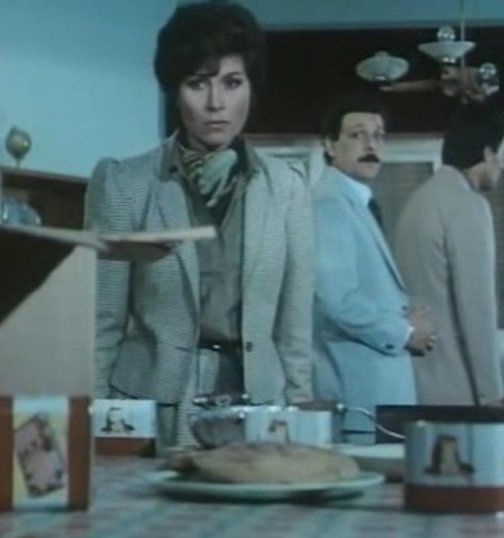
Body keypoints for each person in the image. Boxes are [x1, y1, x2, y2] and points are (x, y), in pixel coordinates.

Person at [85, 1, 314, 448]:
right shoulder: (125, 183)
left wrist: (301, 419)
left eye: (232, 83)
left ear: (251, 87)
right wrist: (92, 423)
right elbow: (101, 324)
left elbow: (295, 332)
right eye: (198, 83)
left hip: (259, 405)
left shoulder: (287, 187)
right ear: (175, 90)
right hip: (154, 406)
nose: (216, 104)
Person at [312, 94, 434, 436]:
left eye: (379, 136)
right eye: (357, 135)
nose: (371, 145)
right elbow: (337, 300)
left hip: (374, 387)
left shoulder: (355, 202)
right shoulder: (328, 204)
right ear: (329, 145)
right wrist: (404, 332)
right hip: (357, 388)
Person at [395, 110, 504, 405]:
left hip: (417, 381)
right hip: (458, 386)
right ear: (487, 153)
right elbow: (476, 306)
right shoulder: (467, 204)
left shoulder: (419, 200)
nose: (501, 166)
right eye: (501, 155)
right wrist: (492, 393)